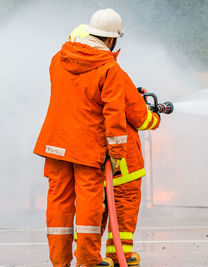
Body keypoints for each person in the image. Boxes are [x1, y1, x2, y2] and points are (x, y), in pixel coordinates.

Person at [34, 8, 130, 267]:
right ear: (111, 40)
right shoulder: (109, 68)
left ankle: (59, 261)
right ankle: (88, 260)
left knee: (59, 204)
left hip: (55, 145)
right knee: (89, 206)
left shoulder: (58, 59)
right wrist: (118, 155)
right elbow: (114, 115)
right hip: (87, 149)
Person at [69, 24, 160, 266]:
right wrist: (155, 116)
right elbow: (139, 116)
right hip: (122, 157)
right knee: (124, 204)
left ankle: (88, 256)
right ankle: (120, 255)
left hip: (90, 155)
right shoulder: (112, 71)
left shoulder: (72, 74)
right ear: (110, 41)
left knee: (91, 207)